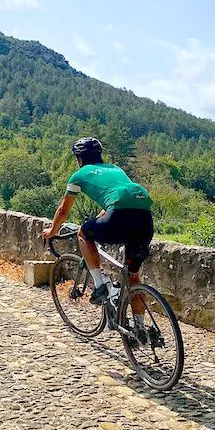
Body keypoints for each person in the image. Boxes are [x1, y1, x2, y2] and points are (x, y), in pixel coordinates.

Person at [42, 137, 153, 331]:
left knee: (84, 233)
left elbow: (63, 211)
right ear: (99, 155)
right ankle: (141, 329)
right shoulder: (116, 169)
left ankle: (100, 284)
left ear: (78, 158)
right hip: (144, 219)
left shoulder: (79, 175)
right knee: (134, 278)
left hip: (117, 215)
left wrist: (52, 231)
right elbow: (115, 202)